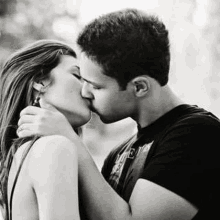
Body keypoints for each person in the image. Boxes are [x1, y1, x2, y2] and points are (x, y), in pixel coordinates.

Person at [17, 8, 220, 220]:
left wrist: (71, 141)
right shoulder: (119, 152)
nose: (85, 92)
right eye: (82, 79)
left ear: (139, 87)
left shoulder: (198, 135)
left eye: (95, 86)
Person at [0, 39, 91, 220]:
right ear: (40, 82)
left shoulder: (22, 154)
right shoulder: (54, 147)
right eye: (78, 76)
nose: (88, 90)